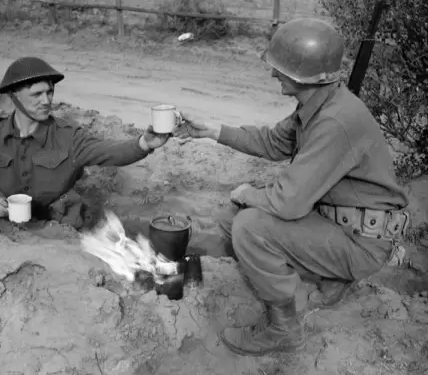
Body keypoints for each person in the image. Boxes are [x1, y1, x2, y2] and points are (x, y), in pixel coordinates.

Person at [173, 18, 410, 356]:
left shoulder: (334, 121)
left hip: (361, 244)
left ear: (312, 77)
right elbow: (273, 142)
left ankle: (284, 329)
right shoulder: (321, 104)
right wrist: (213, 131)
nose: (273, 74)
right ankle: (329, 277)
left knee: (250, 226)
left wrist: (247, 193)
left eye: (283, 68)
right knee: (232, 219)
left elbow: (288, 202)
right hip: (339, 224)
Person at [0, 57, 170, 230]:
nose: (46, 101)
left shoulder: (68, 136)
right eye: (37, 94)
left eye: (49, 92)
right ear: (14, 96)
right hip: (12, 228)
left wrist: (144, 143)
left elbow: (107, 151)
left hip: (60, 225)